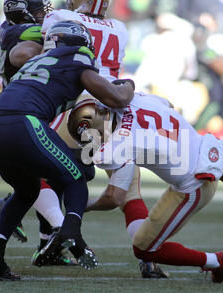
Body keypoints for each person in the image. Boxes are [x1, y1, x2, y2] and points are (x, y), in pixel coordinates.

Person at [64, 93, 223, 283]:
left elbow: (114, 198)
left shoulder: (116, 146)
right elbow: (167, 103)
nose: (92, 142)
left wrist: (84, 207)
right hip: (205, 153)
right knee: (142, 231)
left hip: (192, 187)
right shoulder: (135, 99)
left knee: (143, 249)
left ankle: (215, 261)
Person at [0, 20, 135, 281]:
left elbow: (17, 57)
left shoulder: (38, 59)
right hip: (23, 122)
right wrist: (128, 85)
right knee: (75, 177)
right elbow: (116, 98)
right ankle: (71, 230)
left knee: (27, 191)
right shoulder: (77, 59)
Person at [26, 0, 168, 278]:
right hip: (115, 107)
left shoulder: (61, 16)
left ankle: (56, 229)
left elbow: (40, 52)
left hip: (75, 103)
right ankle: (148, 258)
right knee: (130, 193)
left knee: (39, 172)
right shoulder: (120, 28)